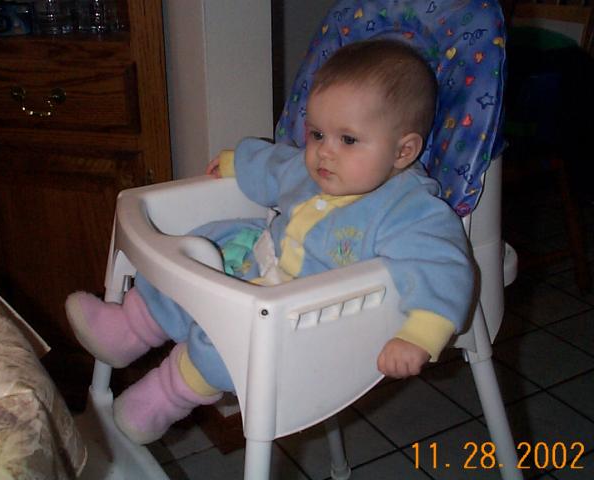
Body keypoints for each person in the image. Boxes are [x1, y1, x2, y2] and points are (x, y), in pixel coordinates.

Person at [65, 39, 475, 445]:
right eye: (317, 134)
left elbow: (442, 265)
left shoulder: (409, 208)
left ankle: (162, 399)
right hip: (262, 261)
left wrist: (420, 334)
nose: (324, 153)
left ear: (403, 151)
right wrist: (237, 163)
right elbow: (277, 164)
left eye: (348, 140)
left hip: (303, 317)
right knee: (206, 246)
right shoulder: (311, 169)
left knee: (225, 345)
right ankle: (129, 327)